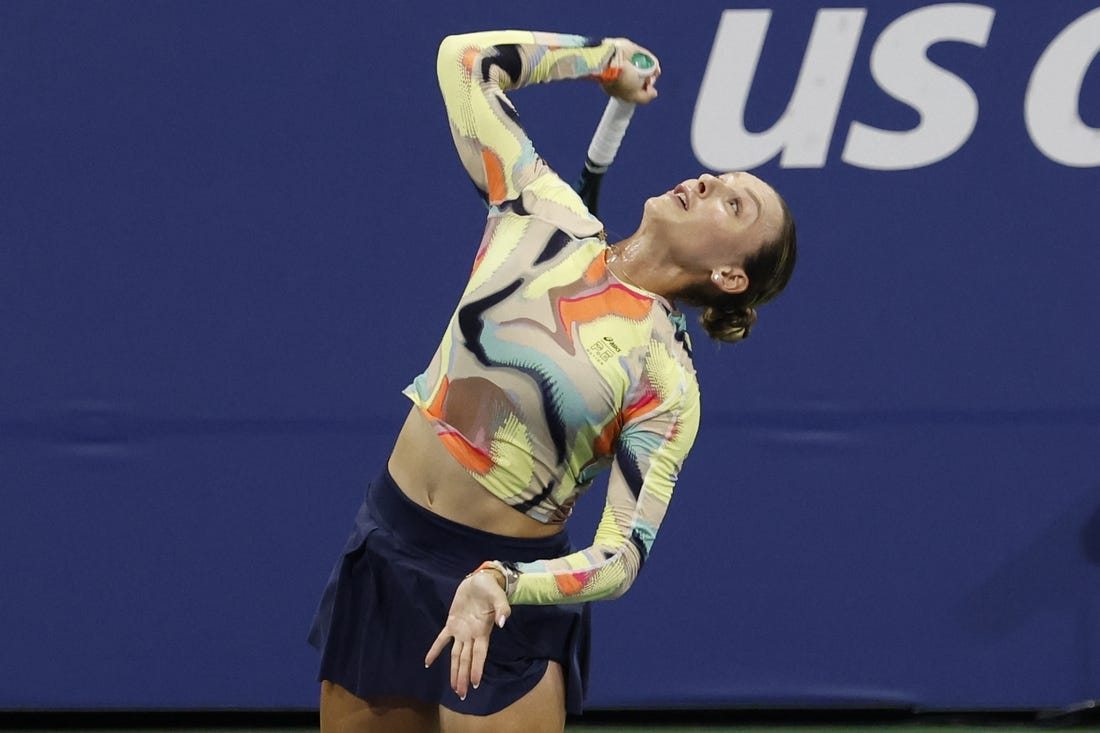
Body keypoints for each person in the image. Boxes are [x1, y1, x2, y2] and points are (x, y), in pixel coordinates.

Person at [308, 29, 797, 733]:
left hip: (503, 599)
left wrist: (501, 580)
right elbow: (464, 61)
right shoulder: (545, 213)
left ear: (730, 276)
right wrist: (600, 59)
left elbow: (621, 556)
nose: (710, 181)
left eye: (735, 205)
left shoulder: (667, 379)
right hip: (387, 547)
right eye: (721, 177)